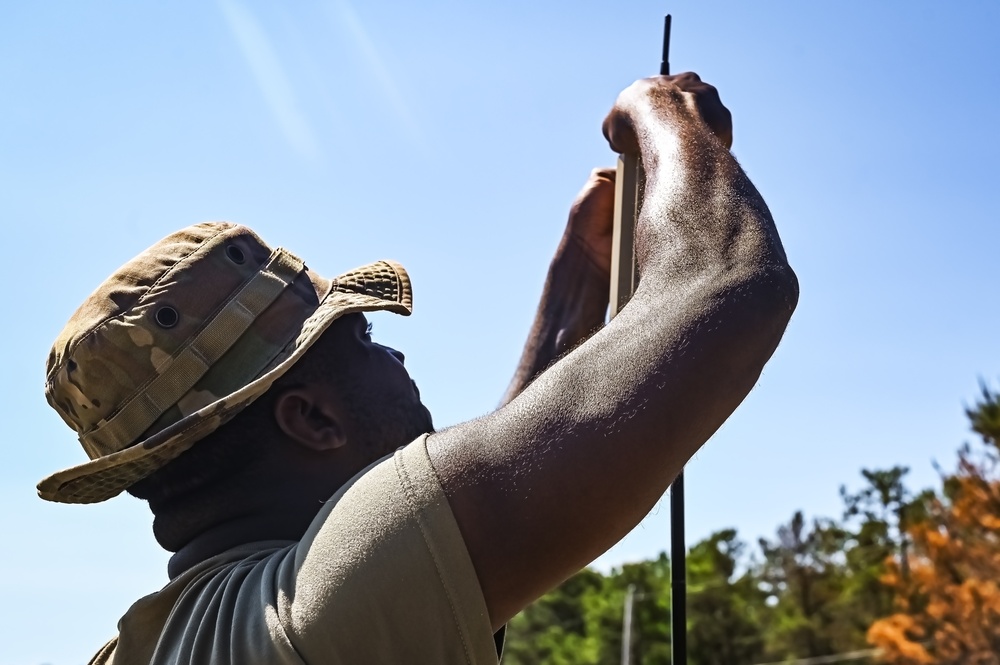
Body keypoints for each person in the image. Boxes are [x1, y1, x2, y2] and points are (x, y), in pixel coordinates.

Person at [39, 73, 798, 664]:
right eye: (363, 340)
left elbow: (498, 474)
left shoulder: (159, 641)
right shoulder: (320, 609)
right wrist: (670, 118)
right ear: (311, 417)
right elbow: (726, 286)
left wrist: (579, 280)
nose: (395, 355)